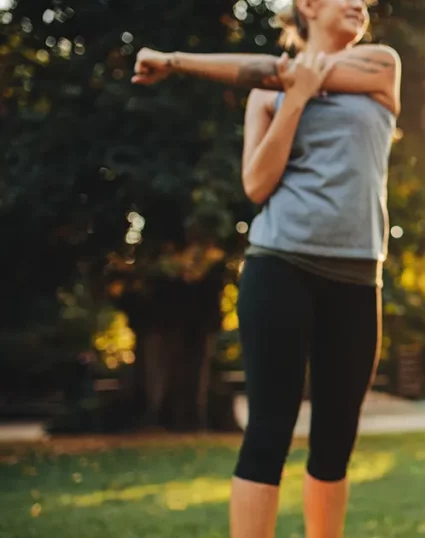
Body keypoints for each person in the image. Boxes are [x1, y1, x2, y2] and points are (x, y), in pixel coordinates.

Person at [132, 1, 401, 537]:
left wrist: (174, 60)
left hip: (356, 277)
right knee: (268, 433)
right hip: (280, 266)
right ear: (308, 5)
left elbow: (280, 69)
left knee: (335, 438)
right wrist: (295, 103)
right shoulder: (266, 94)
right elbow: (256, 185)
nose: (359, 5)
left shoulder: (380, 66)